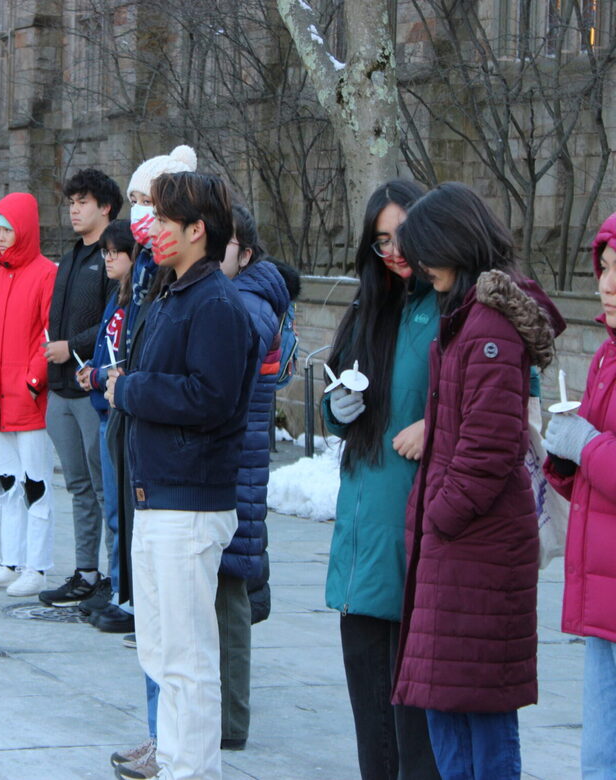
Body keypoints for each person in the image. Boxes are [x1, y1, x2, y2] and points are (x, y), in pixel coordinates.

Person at [393, 182, 563, 779]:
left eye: (423, 252)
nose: (416, 266)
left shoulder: (489, 325)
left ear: (454, 245)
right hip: (461, 548)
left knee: (480, 711)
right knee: (447, 701)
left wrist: (438, 514)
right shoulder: (470, 315)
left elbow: (488, 448)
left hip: (476, 549)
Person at [106, 171, 259, 780]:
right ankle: (170, 756)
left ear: (198, 230)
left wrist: (132, 389)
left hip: (190, 500)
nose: (155, 232)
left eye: (167, 222)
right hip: (158, 493)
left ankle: (192, 768)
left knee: (190, 653)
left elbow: (212, 397)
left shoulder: (217, 303)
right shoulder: (174, 292)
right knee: (161, 647)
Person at [321, 180, 441, 780]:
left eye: (403, 237)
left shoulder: (453, 310)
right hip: (362, 529)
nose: (393, 253)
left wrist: (436, 423)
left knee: (417, 730)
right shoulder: (369, 310)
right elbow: (339, 387)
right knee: (372, 723)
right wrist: (332, 408)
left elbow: (499, 410)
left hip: (418, 530)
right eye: (380, 242)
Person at [107, 145, 197, 780]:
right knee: (154, 624)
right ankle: (157, 733)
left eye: (151, 205)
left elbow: (200, 390)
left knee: (182, 633)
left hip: (185, 480)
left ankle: (178, 743)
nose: (143, 218)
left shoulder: (196, 287)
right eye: (138, 204)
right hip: (140, 447)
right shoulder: (143, 272)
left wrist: (131, 387)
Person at [543, 210, 616, 779]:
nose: (608, 284)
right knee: (599, 755)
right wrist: (562, 453)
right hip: (603, 588)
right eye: (605, 269)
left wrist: (585, 445)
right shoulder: (605, 356)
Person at [216, 204, 290, 752]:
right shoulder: (236, 293)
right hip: (226, 462)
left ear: (245, 252)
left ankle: (228, 723)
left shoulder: (251, 300)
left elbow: (226, 365)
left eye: (226, 243)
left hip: (234, 464)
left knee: (230, 590)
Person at [39, 168, 122, 608]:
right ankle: (85, 571)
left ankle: (115, 577)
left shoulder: (114, 257)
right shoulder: (71, 256)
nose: (74, 209)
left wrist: (72, 346)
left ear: (105, 207)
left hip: (94, 388)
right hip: (61, 388)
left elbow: (113, 323)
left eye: (83, 202)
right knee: (77, 485)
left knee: (103, 484)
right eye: (71, 202)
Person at [0, 193, 58, 597]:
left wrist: (32, 381)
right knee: (5, 483)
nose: (2, 237)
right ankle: (9, 560)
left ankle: (37, 567)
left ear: (24, 229)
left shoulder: (45, 275)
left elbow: (47, 333)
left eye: (8, 229)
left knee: (36, 483)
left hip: (29, 402)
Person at [75, 219, 135, 629]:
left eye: (117, 252)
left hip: (122, 409)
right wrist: (93, 371)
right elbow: (105, 347)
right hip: (104, 408)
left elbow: (126, 360)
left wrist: (99, 375)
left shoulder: (138, 299)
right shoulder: (117, 295)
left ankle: (125, 591)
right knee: (111, 505)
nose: (109, 258)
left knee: (124, 509)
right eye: (106, 252)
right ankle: (116, 585)